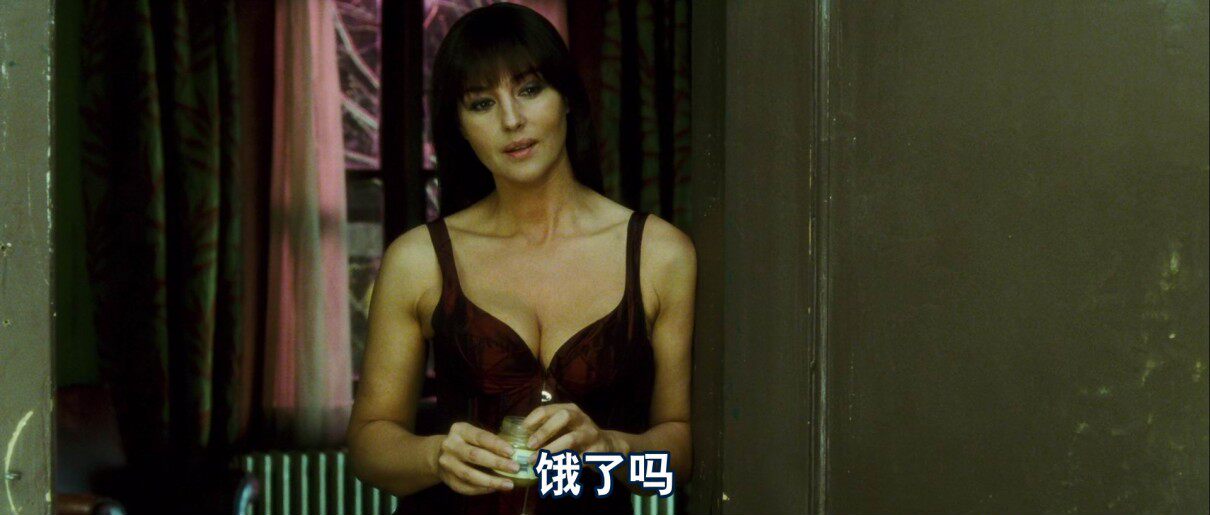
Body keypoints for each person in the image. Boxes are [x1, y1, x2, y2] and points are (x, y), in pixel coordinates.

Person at [346, 4, 695, 514]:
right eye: (482, 103)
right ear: (460, 125)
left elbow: (678, 462)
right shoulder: (419, 259)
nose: (511, 120)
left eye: (530, 90)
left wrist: (611, 450)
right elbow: (367, 447)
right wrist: (434, 457)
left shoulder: (661, 255)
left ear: (567, 97)